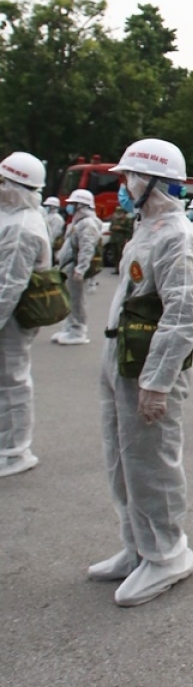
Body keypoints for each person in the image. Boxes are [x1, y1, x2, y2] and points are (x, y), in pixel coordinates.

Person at [88, 138, 193, 606]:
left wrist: (156, 383)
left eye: (128, 177)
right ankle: (137, 545)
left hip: (149, 369)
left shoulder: (179, 237)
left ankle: (167, 554)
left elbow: (183, 316)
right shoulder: (146, 229)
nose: (123, 185)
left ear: (150, 181)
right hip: (122, 359)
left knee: (152, 463)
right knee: (122, 460)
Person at [0, 152, 53, 478]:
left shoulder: (22, 227)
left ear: (15, 185)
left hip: (14, 316)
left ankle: (16, 451)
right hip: (11, 314)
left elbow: (9, 286)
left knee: (12, 380)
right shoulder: (14, 217)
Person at [53, 188, 102, 346]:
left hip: (75, 268)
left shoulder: (87, 224)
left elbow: (87, 247)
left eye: (73, 204)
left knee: (76, 301)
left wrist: (81, 268)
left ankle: (78, 331)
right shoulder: (78, 222)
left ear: (81, 205)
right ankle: (69, 328)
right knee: (70, 300)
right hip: (69, 267)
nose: (70, 207)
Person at [107, 205, 134, 275]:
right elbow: (110, 228)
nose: (118, 213)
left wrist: (121, 228)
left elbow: (130, 230)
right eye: (117, 211)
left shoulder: (127, 219)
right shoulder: (114, 218)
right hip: (113, 239)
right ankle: (116, 269)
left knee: (121, 255)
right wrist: (113, 228)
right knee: (115, 255)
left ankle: (122, 270)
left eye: (120, 211)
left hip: (121, 240)